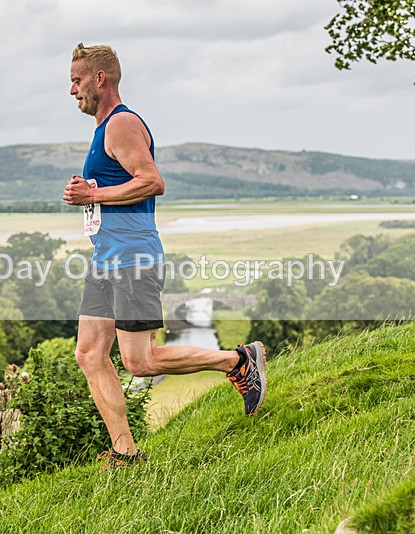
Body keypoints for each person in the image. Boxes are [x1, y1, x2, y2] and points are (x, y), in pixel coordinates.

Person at [63, 43, 267, 471]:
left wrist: (94, 193)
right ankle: (126, 454)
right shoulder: (103, 131)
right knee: (89, 354)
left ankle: (238, 360)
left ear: (100, 79)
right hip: (106, 259)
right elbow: (122, 186)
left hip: (133, 259)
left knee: (141, 361)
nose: (72, 90)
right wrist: (91, 192)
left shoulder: (122, 124)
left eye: (77, 80)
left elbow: (152, 181)